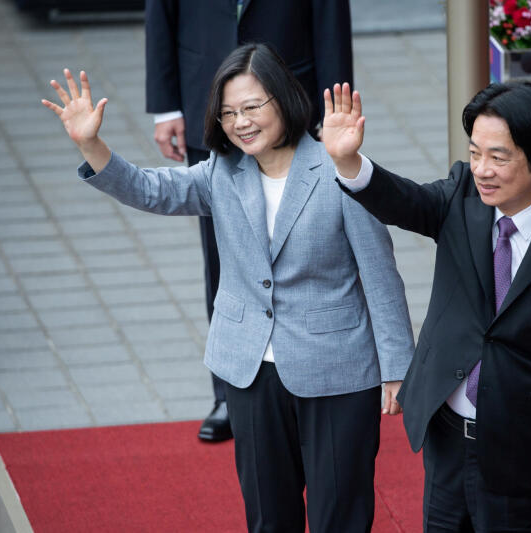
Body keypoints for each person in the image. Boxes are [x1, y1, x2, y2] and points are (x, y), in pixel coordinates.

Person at [41, 43, 413, 533]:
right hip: (250, 371)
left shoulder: (339, 170)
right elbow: (151, 190)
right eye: (229, 112)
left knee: (340, 515)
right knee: (267, 515)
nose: (241, 122)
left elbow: (381, 274)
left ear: (284, 100)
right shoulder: (222, 173)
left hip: (337, 370)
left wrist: (396, 366)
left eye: (253, 107)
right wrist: (93, 146)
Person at [323, 81, 531, 532]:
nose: (482, 169)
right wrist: (349, 162)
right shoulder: (461, 194)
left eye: (499, 157)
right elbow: (406, 201)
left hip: (530, 451)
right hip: (448, 439)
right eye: (475, 153)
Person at [145, 0, 354, 441]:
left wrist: (331, 108)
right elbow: (161, 10)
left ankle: (305, 374)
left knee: (308, 244)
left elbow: (329, 18)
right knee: (223, 254)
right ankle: (230, 387)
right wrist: (166, 105)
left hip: (289, 96)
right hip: (208, 92)